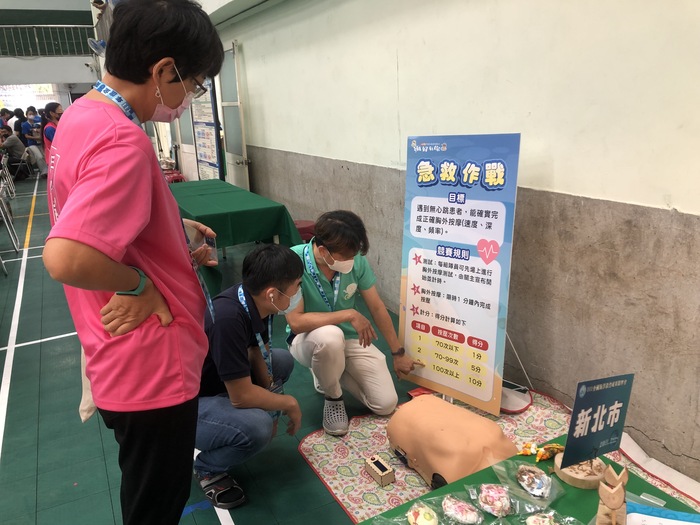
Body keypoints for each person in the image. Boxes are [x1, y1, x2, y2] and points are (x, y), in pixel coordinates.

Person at [41, 1, 224, 524]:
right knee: (155, 507)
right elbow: (67, 255)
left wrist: (168, 227)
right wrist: (141, 281)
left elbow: (90, 211)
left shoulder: (84, 116)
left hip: (116, 355)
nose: (190, 96)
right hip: (151, 367)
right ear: (163, 70)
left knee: (146, 491)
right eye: (194, 82)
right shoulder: (123, 137)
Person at [286, 210, 422, 436]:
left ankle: (327, 372)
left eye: (354, 255)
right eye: (346, 256)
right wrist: (348, 314)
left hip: (349, 338)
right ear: (323, 251)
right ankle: (333, 397)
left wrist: (398, 353)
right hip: (308, 339)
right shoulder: (293, 260)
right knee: (329, 338)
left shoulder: (355, 261)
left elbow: (377, 307)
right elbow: (296, 322)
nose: (352, 261)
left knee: (385, 404)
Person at [195, 244, 304, 509]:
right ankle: (208, 468)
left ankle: (235, 425)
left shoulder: (251, 301)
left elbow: (258, 351)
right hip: (190, 404)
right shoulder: (227, 318)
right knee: (257, 427)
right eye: (296, 287)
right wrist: (287, 404)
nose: (298, 293)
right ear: (273, 293)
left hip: (223, 383)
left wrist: (272, 404)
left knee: (281, 360)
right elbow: (241, 397)